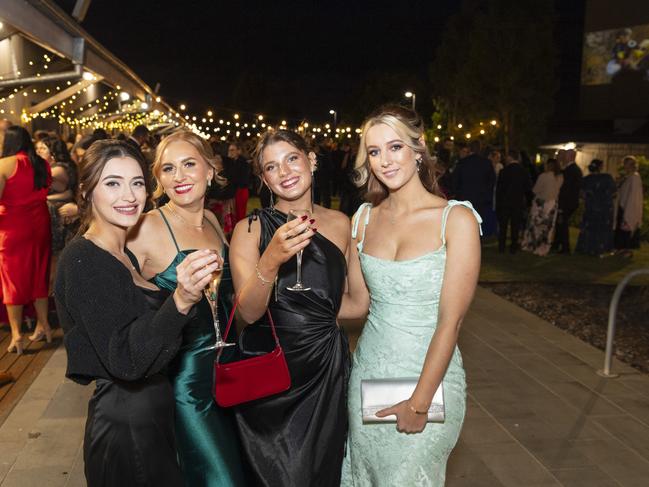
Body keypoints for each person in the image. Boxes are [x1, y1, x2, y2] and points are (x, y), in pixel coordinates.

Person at [55, 139, 220, 486]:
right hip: (125, 426)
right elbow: (126, 360)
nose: (128, 195)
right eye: (112, 183)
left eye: (137, 183)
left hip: (149, 418)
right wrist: (182, 299)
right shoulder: (84, 259)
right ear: (86, 191)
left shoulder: (119, 254)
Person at [339, 105, 481, 486]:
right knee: (366, 476)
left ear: (418, 150)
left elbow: (451, 322)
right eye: (374, 151)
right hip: (369, 374)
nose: (385, 160)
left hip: (431, 381)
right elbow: (356, 304)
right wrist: (292, 306)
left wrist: (419, 403)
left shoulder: (457, 220)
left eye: (395, 147)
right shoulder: (363, 219)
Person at [229, 129, 350, 486]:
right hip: (273, 373)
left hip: (326, 369)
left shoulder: (341, 224)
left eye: (292, 159)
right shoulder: (249, 229)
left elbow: (358, 301)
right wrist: (270, 261)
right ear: (263, 179)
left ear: (311, 159)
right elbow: (247, 314)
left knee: (322, 472)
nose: (284, 172)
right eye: (271, 167)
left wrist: (311, 318)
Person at [127, 130, 247, 487]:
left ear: (210, 171)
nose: (179, 177)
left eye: (189, 164)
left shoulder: (212, 221)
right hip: (186, 387)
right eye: (168, 169)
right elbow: (116, 296)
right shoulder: (146, 227)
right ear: (159, 180)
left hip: (227, 375)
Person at [0, 126, 52, 353]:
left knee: (13, 279)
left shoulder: (4, 165)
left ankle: (17, 335)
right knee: (39, 275)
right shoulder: (42, 164)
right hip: (40, 224)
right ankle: (44, 326)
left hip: (13, 227)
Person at [521, 158, 564, 256]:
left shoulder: (544, 176)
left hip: (541, 203)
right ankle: (544, 247)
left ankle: (531, 245)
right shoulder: (560, 177)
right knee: (547, 227)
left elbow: (535, 190)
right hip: (552, 204)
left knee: (535, 225)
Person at [576, 159, 616, 256]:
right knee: (601, 229)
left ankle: (586, 248)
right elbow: (614, 193)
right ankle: (600, 248)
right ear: (600, 167)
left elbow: (581, 194)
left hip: (590, 208)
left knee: (589, 228)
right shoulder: (607, 178)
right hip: (604, 209)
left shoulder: (586, 179)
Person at [496, 149, 532, 253]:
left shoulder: (504, 171)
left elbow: (499, 190)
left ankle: (501, 246)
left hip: (504, 202)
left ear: (510, 157)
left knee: (503, 225)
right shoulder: (524, 171)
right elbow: (528, 188)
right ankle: (513, 246)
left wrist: (498, 203)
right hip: (517, 202)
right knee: (515, 225)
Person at [451, 139, 496, 222]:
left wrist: (457, 194)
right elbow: (491, 182)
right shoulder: (486, 163)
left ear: (469, 149)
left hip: (464, 199)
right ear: (480, 149)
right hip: (481, 200)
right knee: (478, 223)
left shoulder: (462, 162)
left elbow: (455, 181)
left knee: (465, 222)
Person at [553, 149, 583, 254]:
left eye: (565, 155)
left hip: (567, 202)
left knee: (562, 224)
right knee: (560, 224)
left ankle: (565, 248)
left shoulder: (571, 170)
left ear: (570, 156)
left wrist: (561, 205)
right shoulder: (573, 169)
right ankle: (556, 244)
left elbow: (565, 189)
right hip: (570, 201)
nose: (564, 157)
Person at [614, 155, 644, 253]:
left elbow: (634, 195)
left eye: (626, 164)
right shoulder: (628, 177)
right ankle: (621, 248)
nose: (625, 166)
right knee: (621, 229)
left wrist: (628, 210)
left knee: (627, 228)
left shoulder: (635, 177)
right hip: (623, 206)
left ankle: (627, 250)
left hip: (628, 207)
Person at [228, 142, 251, 222]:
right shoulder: (230, 162)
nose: (231, 152)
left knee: (240, 214)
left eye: (233, 150)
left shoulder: (243, 162)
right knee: (233, 213)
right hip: (234, 190)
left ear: (239, 151)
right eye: (230, 150)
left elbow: (241, 178)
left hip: (241, 190)